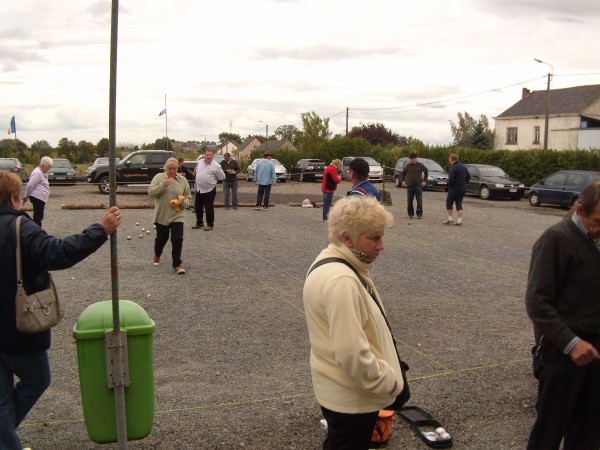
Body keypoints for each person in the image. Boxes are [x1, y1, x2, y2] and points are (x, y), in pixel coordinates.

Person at [0, 171, 122, 450]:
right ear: (13, 199)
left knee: (2, 399)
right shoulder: (20, 226)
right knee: (38, 379)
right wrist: (100, 229)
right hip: (17, 328)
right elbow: (57, 252)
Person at [303, 196, 404, 450]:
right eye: (373, 238)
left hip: (342, 393)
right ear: (347, 238)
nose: (381, 246)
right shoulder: (341, 279)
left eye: (382, 237)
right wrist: (387, 381)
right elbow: (350, 352)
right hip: (352, 399)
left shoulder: (334, 261)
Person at [525, 181, 600, 450]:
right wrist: (571, 342)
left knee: (589, 432)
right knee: (549, 431)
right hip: (562, 353)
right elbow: (536, 302)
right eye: (598, 220)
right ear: (580, 210)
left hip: (595, 353)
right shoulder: (555, 239)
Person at [148, 157, 192, 274]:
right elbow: (151, 193)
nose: (172, 171)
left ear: (178, 168)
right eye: (170, 168)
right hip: (162, 214)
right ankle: (157, 254)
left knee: (177, 239)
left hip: (177, 214)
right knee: (161, 239)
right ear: (165, 168)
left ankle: (177, 264)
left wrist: (184, 202)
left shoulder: (183, 180)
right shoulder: (159, 177)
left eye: (175, 168)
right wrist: (163, 185)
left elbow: (188, 196)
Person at [193, 150, 225, 230]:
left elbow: (222, 177)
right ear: (204, 155)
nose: (208, 156)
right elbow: (197, 170)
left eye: (210, 155)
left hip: (209, 190)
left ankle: (210, 225)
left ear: (213, 156)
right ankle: (199, 222)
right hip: (199, 188)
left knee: (209, 208)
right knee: (198, 207)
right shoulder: (200, 162)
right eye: (207, 154)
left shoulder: (217, 166)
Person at [24, 156, 53, 228]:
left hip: (40, 198)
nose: (49, 169)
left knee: (39, 216)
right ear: (43, 165)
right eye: (48, 167)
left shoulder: (42, 172)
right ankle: (36, 232)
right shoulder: (37, 173)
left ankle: (36, 231)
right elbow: (30, 185)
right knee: (38, 217)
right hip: (37, 197)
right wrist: (26, 195)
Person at [443, 154, 470, 226]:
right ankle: (459, 220)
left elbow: (451, 179)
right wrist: (464, 183)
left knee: (449, 202)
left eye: (450, 161)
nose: (449, 162)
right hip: (463, 188)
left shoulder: (453, 168)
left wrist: (450, 185)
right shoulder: (463, 167)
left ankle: (450, 218)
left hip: (454, 188)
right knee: (459, 203)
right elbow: (468, 176)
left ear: (454, 160)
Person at [401, 153, 428, 219]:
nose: (411, 160)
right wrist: (403, 181)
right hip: (410, 185)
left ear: (415, 158)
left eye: (412, 159)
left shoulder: (420, 165)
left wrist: (424, 180)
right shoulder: (408, 165)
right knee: (409, 200)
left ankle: (419, 214)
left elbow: (426, 172)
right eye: (410, 159)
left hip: (418, 185)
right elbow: (403, 173)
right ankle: (410, 214)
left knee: (419, 200)